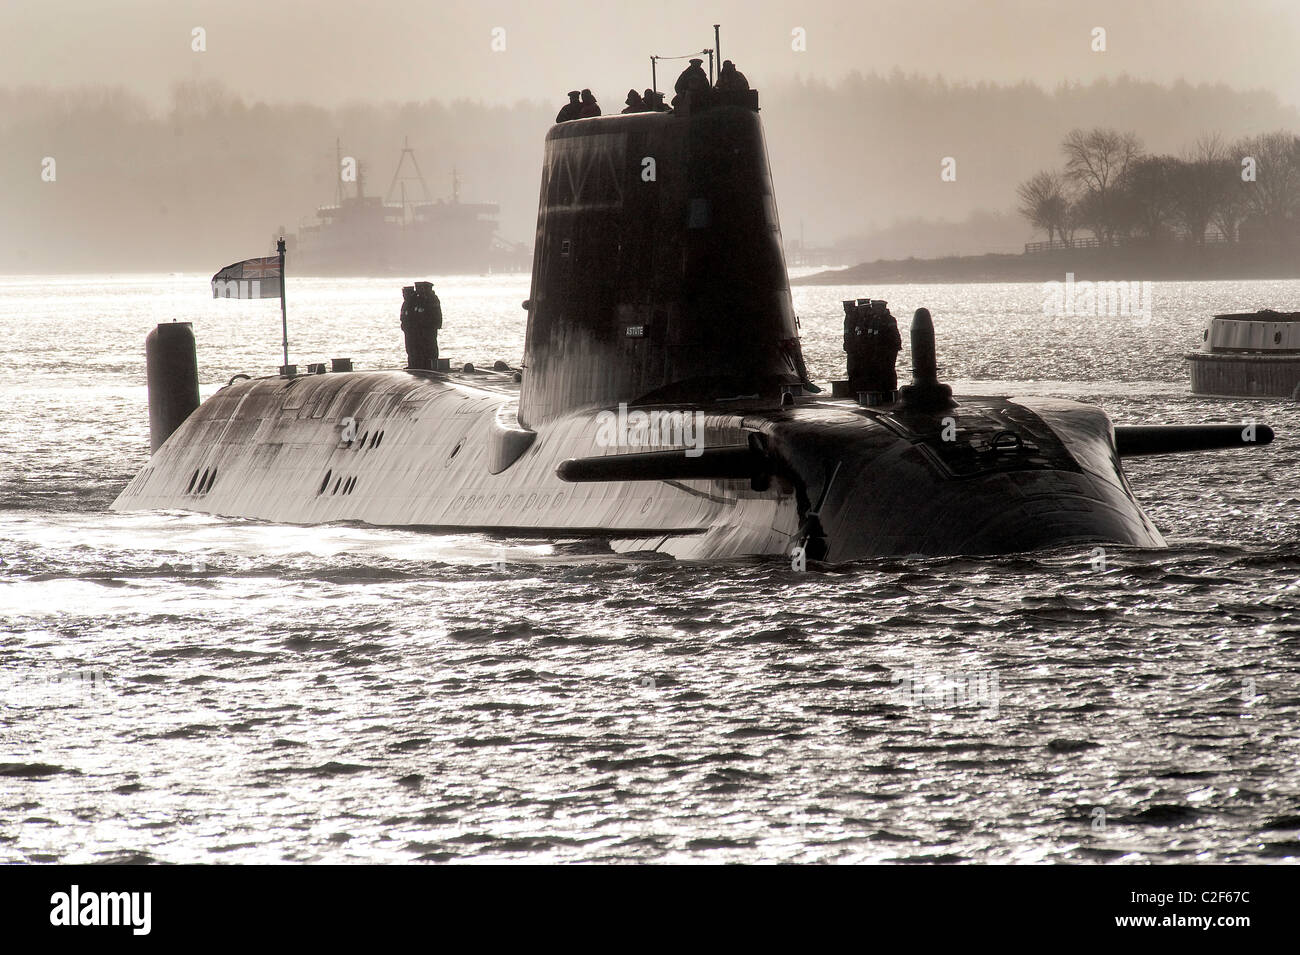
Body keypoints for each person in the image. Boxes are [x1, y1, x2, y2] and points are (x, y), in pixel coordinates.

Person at [844, 299, 901, 395]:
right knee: (865, 370)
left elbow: (892, 336)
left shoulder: (887, 319)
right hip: (871, 350)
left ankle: (888, 392)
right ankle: (866, 390)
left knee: (886, 370)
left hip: (884, 351)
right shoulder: (869, 320)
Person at [401, 281, 443, 370]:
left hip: (427, 328)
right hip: (413, 329)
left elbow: (434, 315)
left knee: (429, 347)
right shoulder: (411, 302)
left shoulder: (431, 299)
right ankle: (415, 364)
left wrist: (432, 325)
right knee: (413, 348)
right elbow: (406, 316)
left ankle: (429, 365)